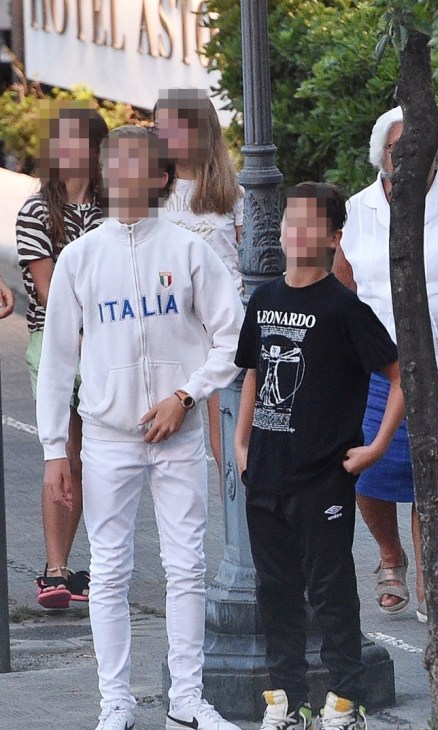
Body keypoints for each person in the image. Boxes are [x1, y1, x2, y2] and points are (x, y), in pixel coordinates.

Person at [36, 125, 246, 730]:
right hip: (106, 438)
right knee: (108, 573)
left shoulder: (188, 251)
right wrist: (54, 451)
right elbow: (56, 363)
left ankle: (186, 702)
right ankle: (115, 705)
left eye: (134, 161)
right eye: (112, 161)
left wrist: (186, 397)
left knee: (186, 568)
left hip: (176, 435)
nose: (119, 170)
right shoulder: (80, 257)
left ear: (159, 177)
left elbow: (232, 336)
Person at [234, 182, 403, 730]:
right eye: (289, 220)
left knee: (330, 593)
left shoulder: (344, 308)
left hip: (323, 476)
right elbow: (253, 372)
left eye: (310, 224)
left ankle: (345, 707)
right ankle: (285, 708)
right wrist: (240, 444)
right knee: (275, 593)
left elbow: (399, 376)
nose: (295, 231)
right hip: (267, 473)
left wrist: (375, 447)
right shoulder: (262, 299)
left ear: (333, 237)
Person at [332, 106, 438, 623]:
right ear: (383, 154)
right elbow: (344, 291)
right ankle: (389, 556)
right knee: (369, 470)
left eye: (421, 148)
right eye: (399, 149)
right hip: (379, 369)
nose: (408, 159)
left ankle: (430, 578)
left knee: (435, 478)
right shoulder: (357, 210)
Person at [15, 103, 108, 609]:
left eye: (81, 141)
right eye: (62, 140)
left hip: (107, 343)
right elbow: (50, 293)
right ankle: (55, 569)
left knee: (106, 456)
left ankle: (103, 564)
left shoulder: (116, 209)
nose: (69, 150)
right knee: (65, 452)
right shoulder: (37, 211)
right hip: (54, 343)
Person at [154, 88, 245, 488]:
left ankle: (241, 523)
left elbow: (251, 258)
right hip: (171, 323)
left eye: (168, 126)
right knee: (169, 436)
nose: (160, 135)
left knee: (226, 431)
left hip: (224, 323)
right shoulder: (153, 193)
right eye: (157, 127)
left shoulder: (234, 193)